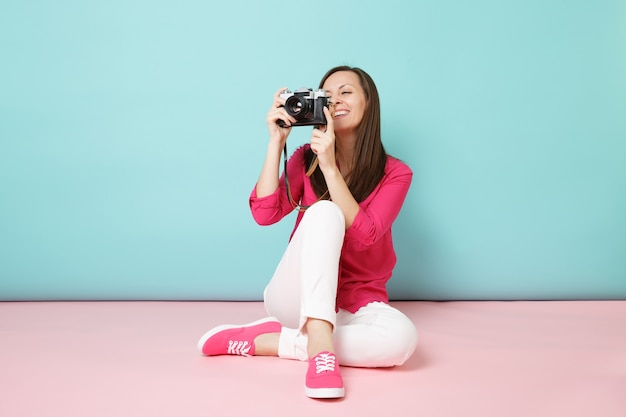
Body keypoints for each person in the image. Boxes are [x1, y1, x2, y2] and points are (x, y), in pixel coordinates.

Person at [197, 66, 418, 399]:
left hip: (357, 302)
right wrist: (276, 143)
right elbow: (265, 213)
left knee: (401, 341)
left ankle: (276, 340)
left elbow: (364, 236)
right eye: (327, 95)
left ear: (369, 102)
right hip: (295, 297)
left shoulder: (395, 173)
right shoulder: (304, 160)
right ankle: (320, 353)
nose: (336, 100)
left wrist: (330, 167)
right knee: (325, 211)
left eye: (346, 91)